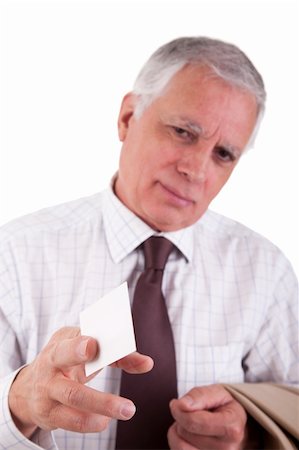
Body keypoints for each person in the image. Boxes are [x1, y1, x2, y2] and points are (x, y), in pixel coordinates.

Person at [0, 36, 298, 450]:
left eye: (224, 154)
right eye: (183, 132)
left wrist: (251, 434)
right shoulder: (16, 253)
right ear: (127, 117)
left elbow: (292, 408)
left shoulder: (266, 272)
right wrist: (18, 402)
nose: (195, 169)